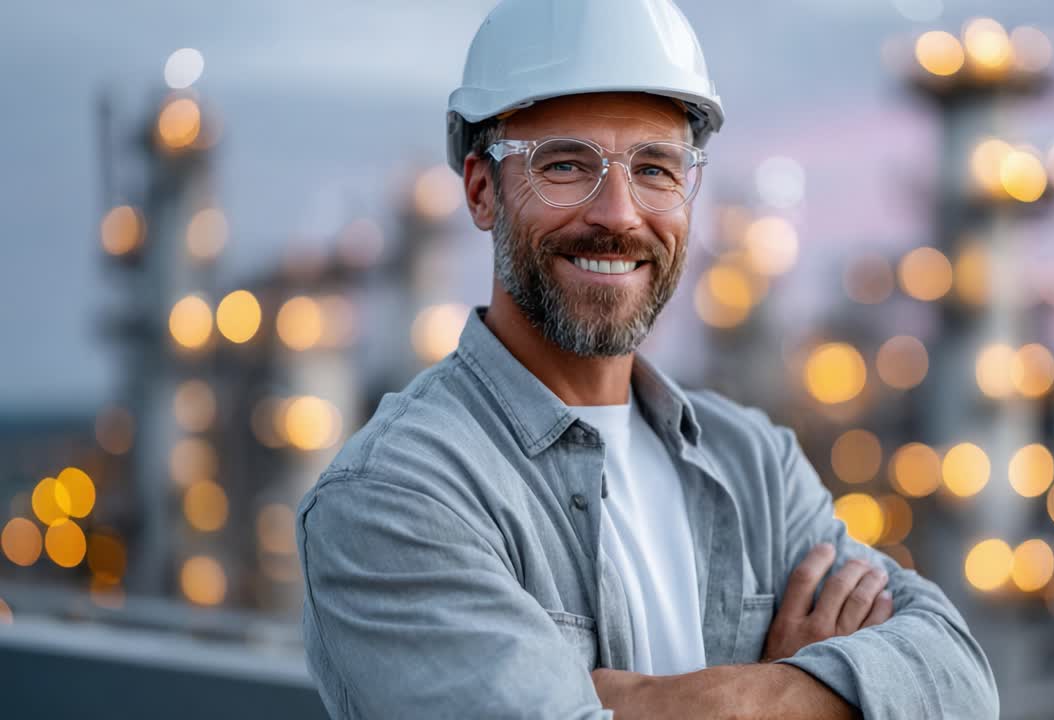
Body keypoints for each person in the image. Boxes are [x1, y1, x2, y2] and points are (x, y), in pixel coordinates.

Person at [296, 0, 999, 717]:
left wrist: (686, 703)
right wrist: (831, 692)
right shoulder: (395, 495)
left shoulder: (755, 465)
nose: (619, 215)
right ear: (482, 190)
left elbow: (962, 685)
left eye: (656, 168)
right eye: (565, 164)